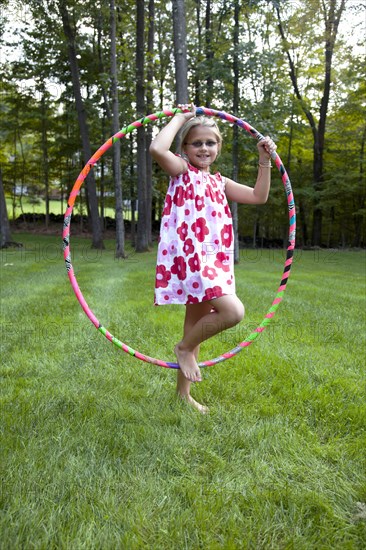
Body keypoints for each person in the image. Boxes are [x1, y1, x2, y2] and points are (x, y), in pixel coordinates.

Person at [149, 104, 276, 413]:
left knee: (196, 322)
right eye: (196, 143)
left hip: (214, 258)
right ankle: (184, 348)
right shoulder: (181, 171)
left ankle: (183, 394)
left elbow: (259, 197)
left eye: (210, 142)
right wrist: (180, 117)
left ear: (218, 147)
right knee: (233, 312)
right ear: (184, 148)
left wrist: (264, 160)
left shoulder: (220, 183)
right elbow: (156, 148)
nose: (203, 148)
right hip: (191, 257)